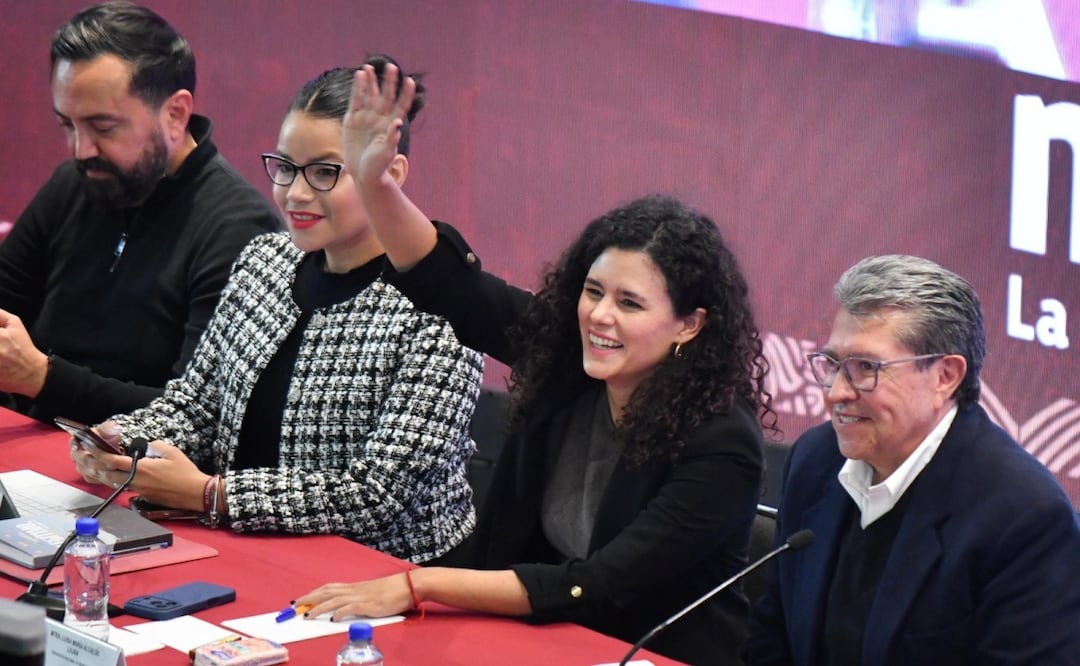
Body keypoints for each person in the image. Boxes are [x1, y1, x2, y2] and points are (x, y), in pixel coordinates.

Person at [294, 65, 774, 665]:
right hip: (527, 644)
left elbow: (598, 586)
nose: (600, 316)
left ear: (690, 324)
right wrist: (375, 185)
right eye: (594, 292)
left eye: (630, 303)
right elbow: (453, 286)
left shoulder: (721, 441)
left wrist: (420, 583)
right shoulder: (567, 361)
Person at [69, 55, 484, 564]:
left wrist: (210, 494)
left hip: (389, 574)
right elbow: (198, 406)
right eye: (285, 168)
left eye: (327, 172)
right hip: (245, 545)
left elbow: (378, 496)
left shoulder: (445, 306)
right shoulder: (266, 260)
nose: (297, 193)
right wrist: (124, 440)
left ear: (390, 173)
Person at [744, 255, 1080, 664]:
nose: (836, 392)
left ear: (945, 376)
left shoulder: (1024, 517)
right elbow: (771, 637)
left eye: (866, 368)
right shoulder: (816, 460)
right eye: (833, 365)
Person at [0, 1, 280, 424]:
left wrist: (44, 379)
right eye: (67, 125)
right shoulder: (72, 184)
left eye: (103, 127)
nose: (81, 150)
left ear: (175, 113)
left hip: (135, 476)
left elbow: (197, 420)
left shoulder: (238, 229)